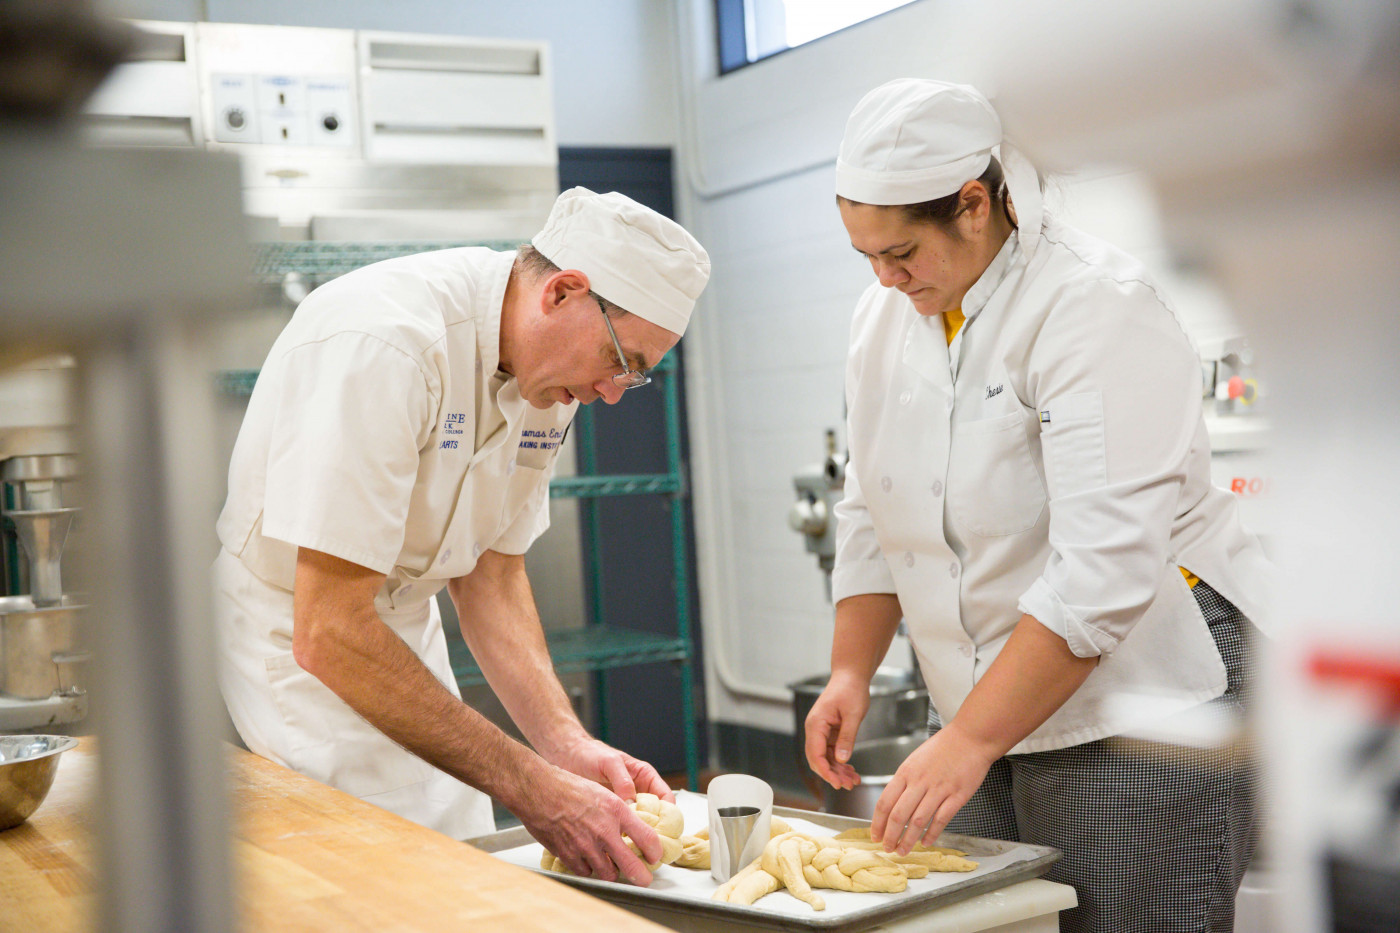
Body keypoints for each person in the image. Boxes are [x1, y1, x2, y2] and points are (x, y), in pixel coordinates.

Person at [803, 79, 1272, 932]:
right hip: (983, 707)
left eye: (900, 251)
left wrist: (970, 740)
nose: (882, 276)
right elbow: (872, 505)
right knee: (986, 920)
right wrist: (850, 669)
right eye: (864, 254)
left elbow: (1103, 573)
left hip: (1141, 700)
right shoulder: (886, 318)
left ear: (975, 205)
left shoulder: (1092, 307)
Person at [214, 187, 710, 886]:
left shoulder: (550, 381)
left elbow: (492, 574)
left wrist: (563, 744)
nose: (612, 392)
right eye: (619, 359)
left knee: (462, 844)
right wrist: (533, 786)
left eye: (637, 376)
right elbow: (327, 627)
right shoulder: (386, 343)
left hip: (395, 620)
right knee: (373, 868)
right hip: (297, 627)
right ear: (564, 292)